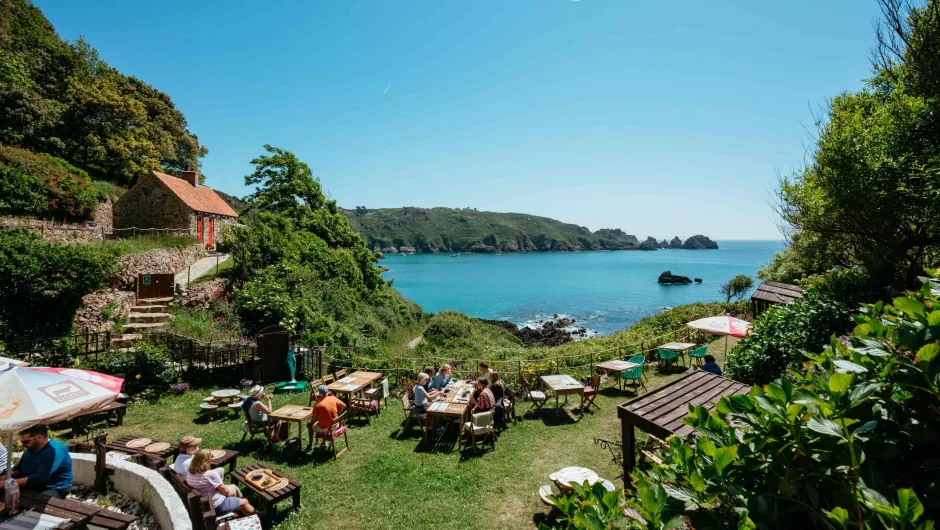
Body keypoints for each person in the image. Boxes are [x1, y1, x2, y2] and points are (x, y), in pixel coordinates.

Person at [0, 425, 72, 498]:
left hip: (54, 488)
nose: (23, 445)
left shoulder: (55, 451)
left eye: (26, 442)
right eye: (22, 442)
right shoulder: (31, 449)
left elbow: (40, 478)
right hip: (33, 484)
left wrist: (7, 483)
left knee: (37, 503)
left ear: (39, 437)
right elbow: (19, 469)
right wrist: (8, 475)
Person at [186, 449, 254, 516]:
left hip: (203, 503)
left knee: (233, 487)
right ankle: (255, 515)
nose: (212, 460)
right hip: (216, 506)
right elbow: (226, 492)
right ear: (206, 462)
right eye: (211, 459)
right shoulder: (210, 474)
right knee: (244, 501)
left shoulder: (189, 471)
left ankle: (240, 505)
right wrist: (231, 492)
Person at [306, 385, 346, 451]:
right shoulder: (333, 398)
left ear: (319, 393)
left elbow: (314, 419)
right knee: (323, 421)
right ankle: (324, 443)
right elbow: (344, 406)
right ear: (327, 392)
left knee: (310, 426)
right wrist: (338, 414)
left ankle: (310, 445)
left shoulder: (318, 404)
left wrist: (309, 423)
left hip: (327, 429)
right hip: (336, 425)